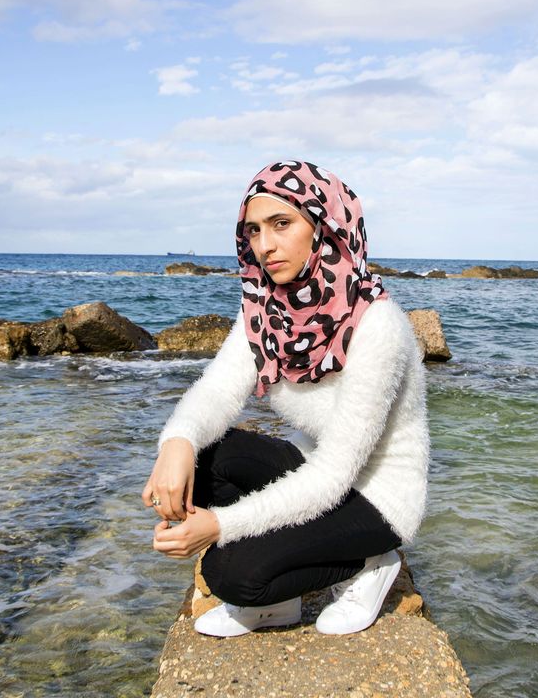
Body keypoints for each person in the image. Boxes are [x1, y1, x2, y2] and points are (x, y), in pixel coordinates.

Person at [143, 159, 430, 637]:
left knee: (231, 575)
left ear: (324, 227)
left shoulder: (377, 326)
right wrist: (176, 444)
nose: (265, 245)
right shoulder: (265, 308)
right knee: (200, 459)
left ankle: (370, 563)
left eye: (282, 223)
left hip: (375, 496)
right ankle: (280, 603)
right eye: (253, 230)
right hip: (309, 464)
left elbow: (334, 476)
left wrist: (220, 527)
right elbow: (216, 390)